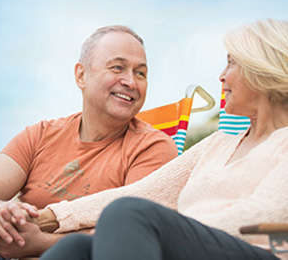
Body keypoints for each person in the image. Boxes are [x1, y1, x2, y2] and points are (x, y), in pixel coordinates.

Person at [36, 18, 288, 260]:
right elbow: (145, 193)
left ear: (262, 70)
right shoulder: (219, 142)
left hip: (258, 252)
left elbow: (267, 213)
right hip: (194, 245)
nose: (221, 76)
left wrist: (171, 230)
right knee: (76, 247)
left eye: (231, 63)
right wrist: (47, 217)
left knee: (127, 215)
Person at [0, 26, 178, 259]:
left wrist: (41, 243)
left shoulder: (153, 148)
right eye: (118, 68)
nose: (131, 82)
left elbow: (133, 233)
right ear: (81, 75)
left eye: (141, 73)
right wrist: (1, 210)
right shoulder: (40, 135)